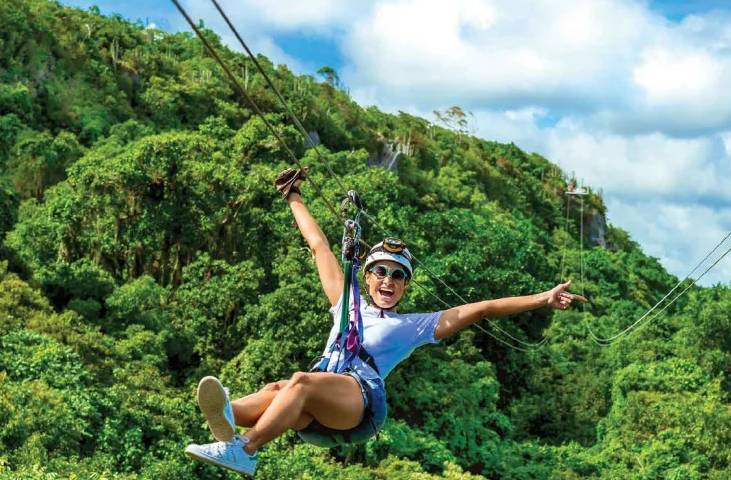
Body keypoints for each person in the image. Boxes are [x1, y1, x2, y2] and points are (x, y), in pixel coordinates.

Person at [185, 168, 587, 476]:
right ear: (368, 276)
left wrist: (543, 298)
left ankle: (246, 451)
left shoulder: (413, 325)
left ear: (406, 285)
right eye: (380, 272)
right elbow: (318, 245)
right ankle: (227, 415)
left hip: (361, 404)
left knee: (300, 381)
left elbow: (480, 309)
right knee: (282, 387)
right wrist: (293, 195)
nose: (388, 281)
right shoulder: (347, 300)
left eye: (398, 276)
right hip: (315, 408)